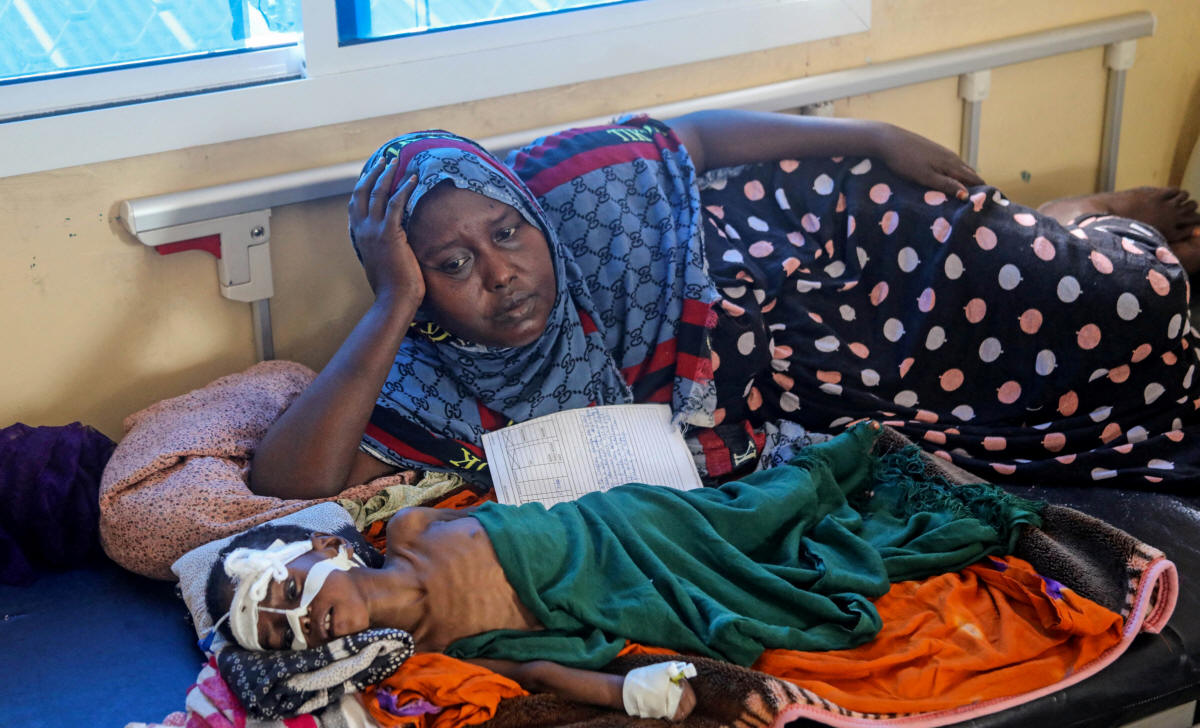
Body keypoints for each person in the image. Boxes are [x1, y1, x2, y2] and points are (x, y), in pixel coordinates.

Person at [247, 110, 1200, 500]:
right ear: (414, 285)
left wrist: (872, 136)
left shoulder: (573, 183)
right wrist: (393, 302)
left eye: (507, 233)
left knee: (1131, 300)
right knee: (1037, 401)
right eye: (452, 264)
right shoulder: (429, 372)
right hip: (800, 364)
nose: (500, 273)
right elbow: (289, 484)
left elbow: (695, 138)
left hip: (818, 233)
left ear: (532, 213)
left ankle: (1087, 224)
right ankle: (1072, 225)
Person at [214, 424, 1040, 721]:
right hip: (631, 593)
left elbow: (514, 500)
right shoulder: (435, 652)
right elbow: (540, 668)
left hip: (632, 526)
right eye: (280, 635)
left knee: (754, 512)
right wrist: (629, 693)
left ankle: (845, 460)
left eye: (282, 593)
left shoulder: (412, 526)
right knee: (768, 605)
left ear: (326, 549)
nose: (297, 621)